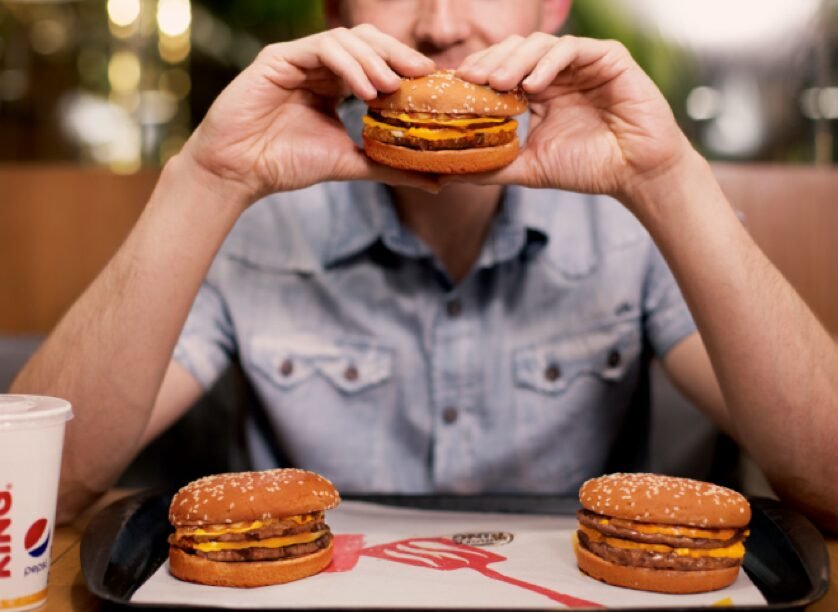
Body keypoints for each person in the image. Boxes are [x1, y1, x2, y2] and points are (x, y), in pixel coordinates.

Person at [11, 0, 838, 531]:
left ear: (551, 6)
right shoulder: (255, 225)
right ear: (337, 12)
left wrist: (665, 180)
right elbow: (30, 501)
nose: (441, 23)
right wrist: (208, 179)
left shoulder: (637, 225)